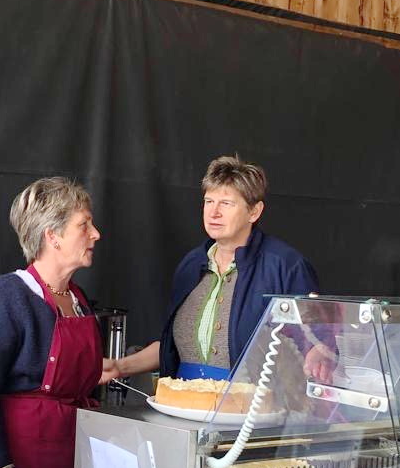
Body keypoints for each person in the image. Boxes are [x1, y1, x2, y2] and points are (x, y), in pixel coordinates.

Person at [112, 155, 319, 381]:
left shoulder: (285, 266)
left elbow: (316, 347)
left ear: (254, 211)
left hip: (251, 402)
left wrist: (319, 352)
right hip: (184, 398)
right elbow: (170, 347)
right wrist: (119, 367)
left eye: (226, 203)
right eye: (209, 201)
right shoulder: (191, 265)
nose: (214, 213)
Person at [0, 177, 106, 468]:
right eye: (84, 225)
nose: (95, 233)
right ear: (52, 236)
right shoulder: (5, 297)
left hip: (71, 455)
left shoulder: (78, 300)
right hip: (23, 464)